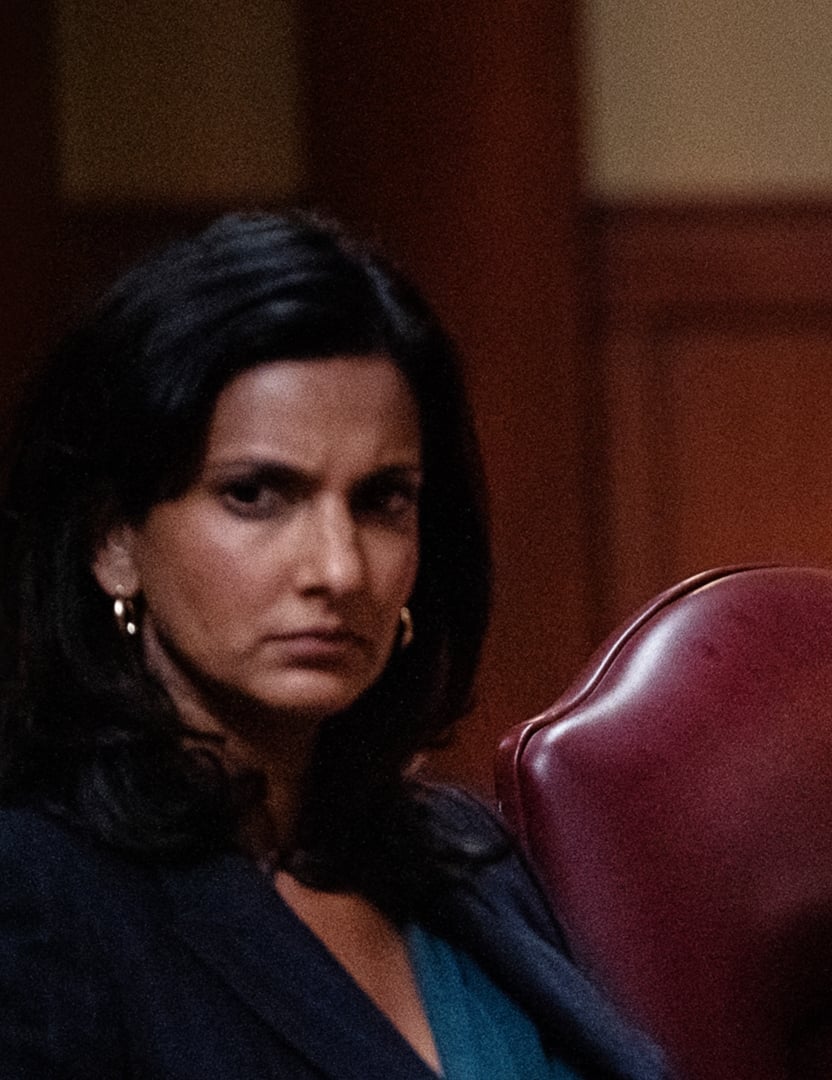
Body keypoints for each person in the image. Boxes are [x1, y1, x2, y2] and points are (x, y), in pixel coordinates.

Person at [0, 212, 668, 1080]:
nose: (340, 569)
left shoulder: (460, 851)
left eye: (382, 500)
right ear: (112, 540)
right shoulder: (39, 888)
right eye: (256, 495)